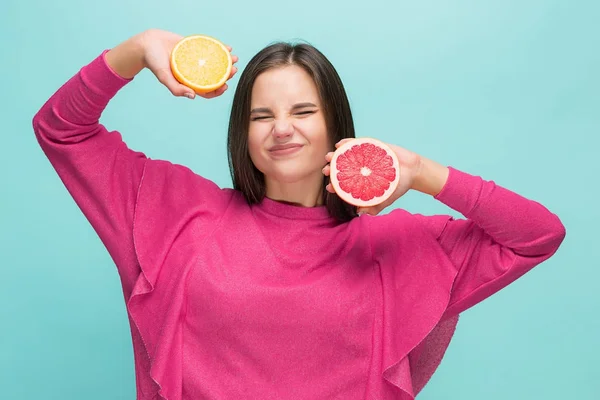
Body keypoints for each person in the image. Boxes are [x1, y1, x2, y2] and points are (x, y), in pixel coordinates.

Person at [32, 28, 566, 400]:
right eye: (261, 115)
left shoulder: (397, 246)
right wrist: (137, 48)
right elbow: (60, 129)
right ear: (242, 133)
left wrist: (423, 171)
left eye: (303, 111)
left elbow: (538, 235)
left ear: (337, 125)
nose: (281, 128)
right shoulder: (177, 214)